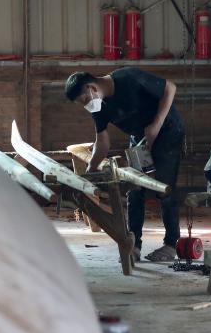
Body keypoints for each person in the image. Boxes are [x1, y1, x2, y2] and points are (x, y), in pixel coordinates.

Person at [65, 68, 185, 262]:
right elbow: (102, 142)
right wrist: (91, 170)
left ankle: (171, 244)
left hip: (168, 131)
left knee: (164, 187)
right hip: (140, 139)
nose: (87, 105)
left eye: (85, 100)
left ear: (91, 87)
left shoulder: (129, 78)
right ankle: (133, 244)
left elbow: (170, 87)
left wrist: (157, 123)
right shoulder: (98, 106)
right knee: (134, 188)